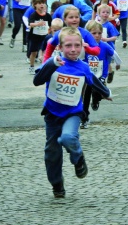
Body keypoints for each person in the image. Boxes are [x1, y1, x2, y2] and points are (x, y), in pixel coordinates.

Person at [33, 27, 111, 198]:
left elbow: (93, 81)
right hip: (52, 114)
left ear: (82, 47)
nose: (73, 49)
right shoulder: (53, 63)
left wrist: (106, 93)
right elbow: (37, 81)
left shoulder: (83, 67)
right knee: (52, 152)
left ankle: (78, 157)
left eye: (77, 45)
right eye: (68, 45)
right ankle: (57, 184)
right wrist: (52, 64)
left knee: (68, 137)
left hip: (73, 113)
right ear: (60, 47)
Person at [82, 20, 119, 123]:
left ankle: (96, 100)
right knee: (86, 96)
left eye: (99, 33)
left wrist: (118, 63)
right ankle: (84, 117)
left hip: (100, 75)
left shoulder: (104, 45)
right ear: (88, 33)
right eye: (94, 33)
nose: (97, 36)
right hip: (88, 75)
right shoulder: (84, 45)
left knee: (97, 91)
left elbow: (114, 54)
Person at [28, 0, 51, 75]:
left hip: (44, 36)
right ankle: (31, 66)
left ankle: (43, 67)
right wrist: (38, 24)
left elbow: (51, 25)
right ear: (35, 5)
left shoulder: (47, 15)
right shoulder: (33, 15)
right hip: (35, 36)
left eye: (43, 3)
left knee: (44, 51)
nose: (42, 5)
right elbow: (30, 24)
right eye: (39, 3)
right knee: (34, 52)